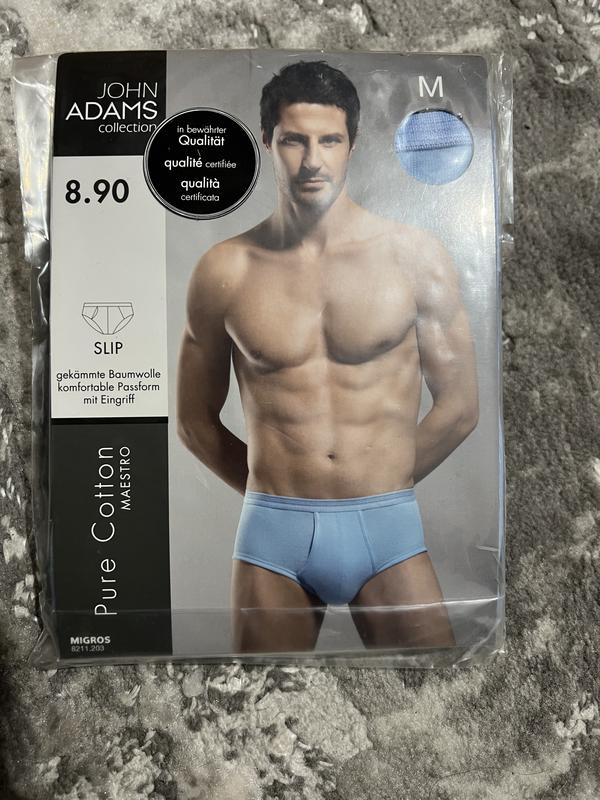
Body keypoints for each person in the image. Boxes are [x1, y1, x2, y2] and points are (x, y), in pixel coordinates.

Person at [177, 61, 479, 653]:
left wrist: (378, 484)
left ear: (352, 145)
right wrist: (280, 499)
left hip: (386, 525)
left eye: (330, 141)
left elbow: (461, 406)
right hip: (274, 537)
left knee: (436, 695)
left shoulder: (414, 255)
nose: (312, 160)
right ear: (268, 142)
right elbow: (192, 422)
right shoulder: (224, 270)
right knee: (264, 700)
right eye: (294, 140)